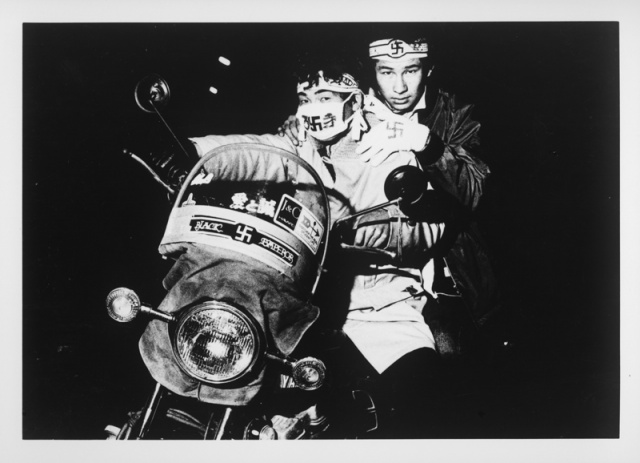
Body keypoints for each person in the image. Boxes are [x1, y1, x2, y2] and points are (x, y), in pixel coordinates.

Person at [182, 50, 460, 437]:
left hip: (377, 306)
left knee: (416, 397)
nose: (313, 108)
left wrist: (357, 232)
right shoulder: (300, 144)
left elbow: (429, 230)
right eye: (305, 98)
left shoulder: (388, 148)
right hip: (296, 299)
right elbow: (256, 152)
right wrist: (194, 153)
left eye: (325, 97)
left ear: (354, 101)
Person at [278, 37, 505, 363]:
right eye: (386, 72)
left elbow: (474, 192)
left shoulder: (456, 116)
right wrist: (304, 125)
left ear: (428, 70)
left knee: (448, 364)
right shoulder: (347, 107)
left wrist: (427, 144)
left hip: (449, 279)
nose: (399, 87)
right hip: (359, 281)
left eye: (410, 71)